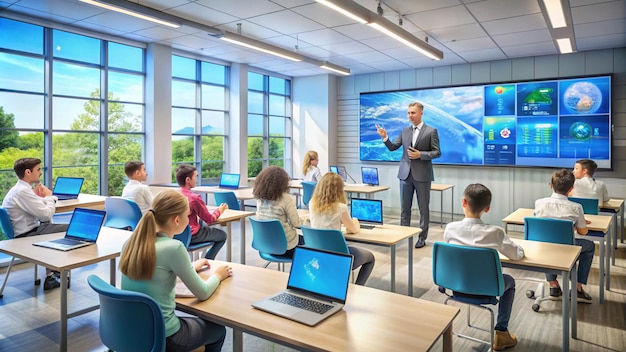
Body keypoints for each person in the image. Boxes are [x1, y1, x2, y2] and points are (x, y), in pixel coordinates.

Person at [119, 190, 232, 352]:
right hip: (166, 336)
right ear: (177, 220)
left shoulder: (132, 243)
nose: (190, 220)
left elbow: (157, 274)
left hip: (134, 333)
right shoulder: (174, 248)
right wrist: (218, 275)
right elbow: (203, 292)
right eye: (188, 216)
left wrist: (192, 267)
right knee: (218, 330)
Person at [444, 183, 523, 351]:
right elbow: (516, 255)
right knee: (509, 281)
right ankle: (501, 332)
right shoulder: (495, 232)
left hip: (455, 285)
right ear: (487, 208)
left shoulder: (450, 229)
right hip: (487, 288)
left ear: (463, 202)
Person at [376, 101, 441, 248]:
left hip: (423, 176)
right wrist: (385, 137)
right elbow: (393, 148)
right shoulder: (405, 131)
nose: (410, 115)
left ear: (421, 113)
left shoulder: (431, 131)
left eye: (413, 113)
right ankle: (402, 234)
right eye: (408, 113)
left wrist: (421, 154)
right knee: (405, 208)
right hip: (405, 175)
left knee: (423, 208)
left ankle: (422, 238)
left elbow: (437, 152)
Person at [1, 158, 69, 290]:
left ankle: (52, 273)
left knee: (50, 225)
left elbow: (39, 204)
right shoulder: (22, 192)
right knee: (69, 229)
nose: (41, 173)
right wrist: (50, 196)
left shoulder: (19, 189)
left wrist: (48, 198)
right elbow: (46, 214)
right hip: (27, 234)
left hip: (24, 231)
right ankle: (56, 272)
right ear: (28, 172)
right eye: (38, 170)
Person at [534, 169, 594, 302]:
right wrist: (577, 224)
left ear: (551, 185)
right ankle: (577, 288)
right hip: (566, 248)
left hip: (542, 247)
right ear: (571, 188)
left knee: (548, 241)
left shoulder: (539, 203)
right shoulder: (576, 207)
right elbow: (583, 232)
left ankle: (553, 285)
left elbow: (542, 225)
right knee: (589, 246)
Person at [308, 173, 375, 285]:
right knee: (371, 258)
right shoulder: (340, 208)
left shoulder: (312, 204)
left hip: (318, 253)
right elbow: (353, 229)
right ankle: (358, 287)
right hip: (339, 256)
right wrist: (355, 222)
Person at [175, 164, 227, 260]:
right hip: (192, 235)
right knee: (222, 235)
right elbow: (210, 220)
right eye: (195, 176)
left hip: (177, 234)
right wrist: (219, 210)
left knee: (203, 226)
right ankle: (207, 260)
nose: (197, 179)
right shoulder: (194, 198)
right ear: (188, 180)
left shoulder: (174, 194)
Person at [253, 166, 305, 258]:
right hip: (287, 247)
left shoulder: (260, 199)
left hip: (265, 245)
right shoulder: (286, 198)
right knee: (313, 243)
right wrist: (306, 221)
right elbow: (296, 223)